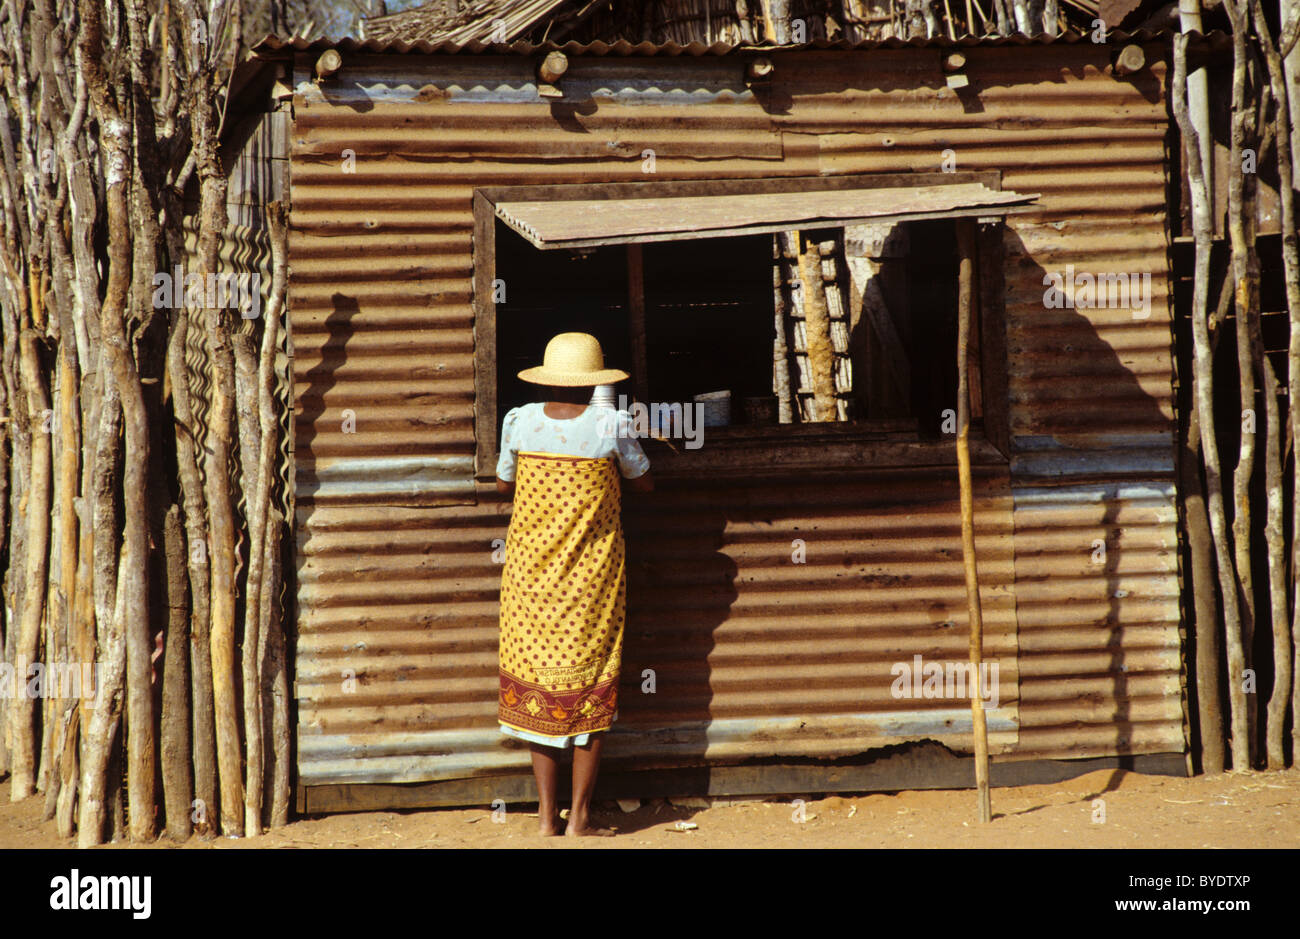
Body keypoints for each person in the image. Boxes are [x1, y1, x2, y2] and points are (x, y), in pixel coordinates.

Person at [494, 332, 653, 837]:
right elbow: (643, 481)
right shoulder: (611, 425)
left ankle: (546, 819)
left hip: (529, 581)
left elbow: (503, 483)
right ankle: (579, 819)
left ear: (547, 380)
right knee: (592, 685)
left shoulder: (519, 421)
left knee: (538, 687)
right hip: (591, 585)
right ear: (593, 384)